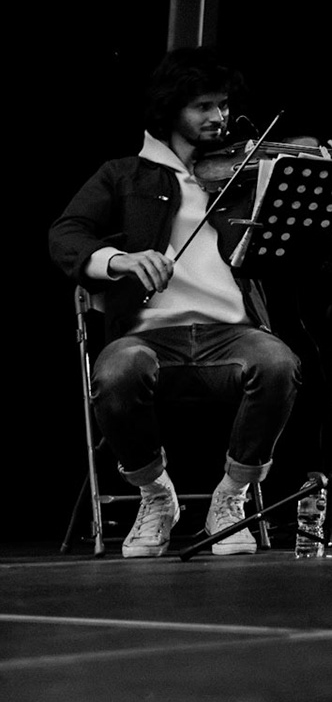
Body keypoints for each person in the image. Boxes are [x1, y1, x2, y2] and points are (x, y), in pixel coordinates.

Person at [48, 48, 310, 558]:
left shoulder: (242, 173)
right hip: (148, 338)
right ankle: (155, 494)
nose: (220, 117)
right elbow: (66, 232)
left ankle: (230, 498)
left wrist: (326, 169)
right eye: (204, 107)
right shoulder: (125, 175)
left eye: (224, 105)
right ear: (171, 110)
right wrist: (117, 260)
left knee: (278, 362)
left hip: (231, 336)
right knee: (116, 372)